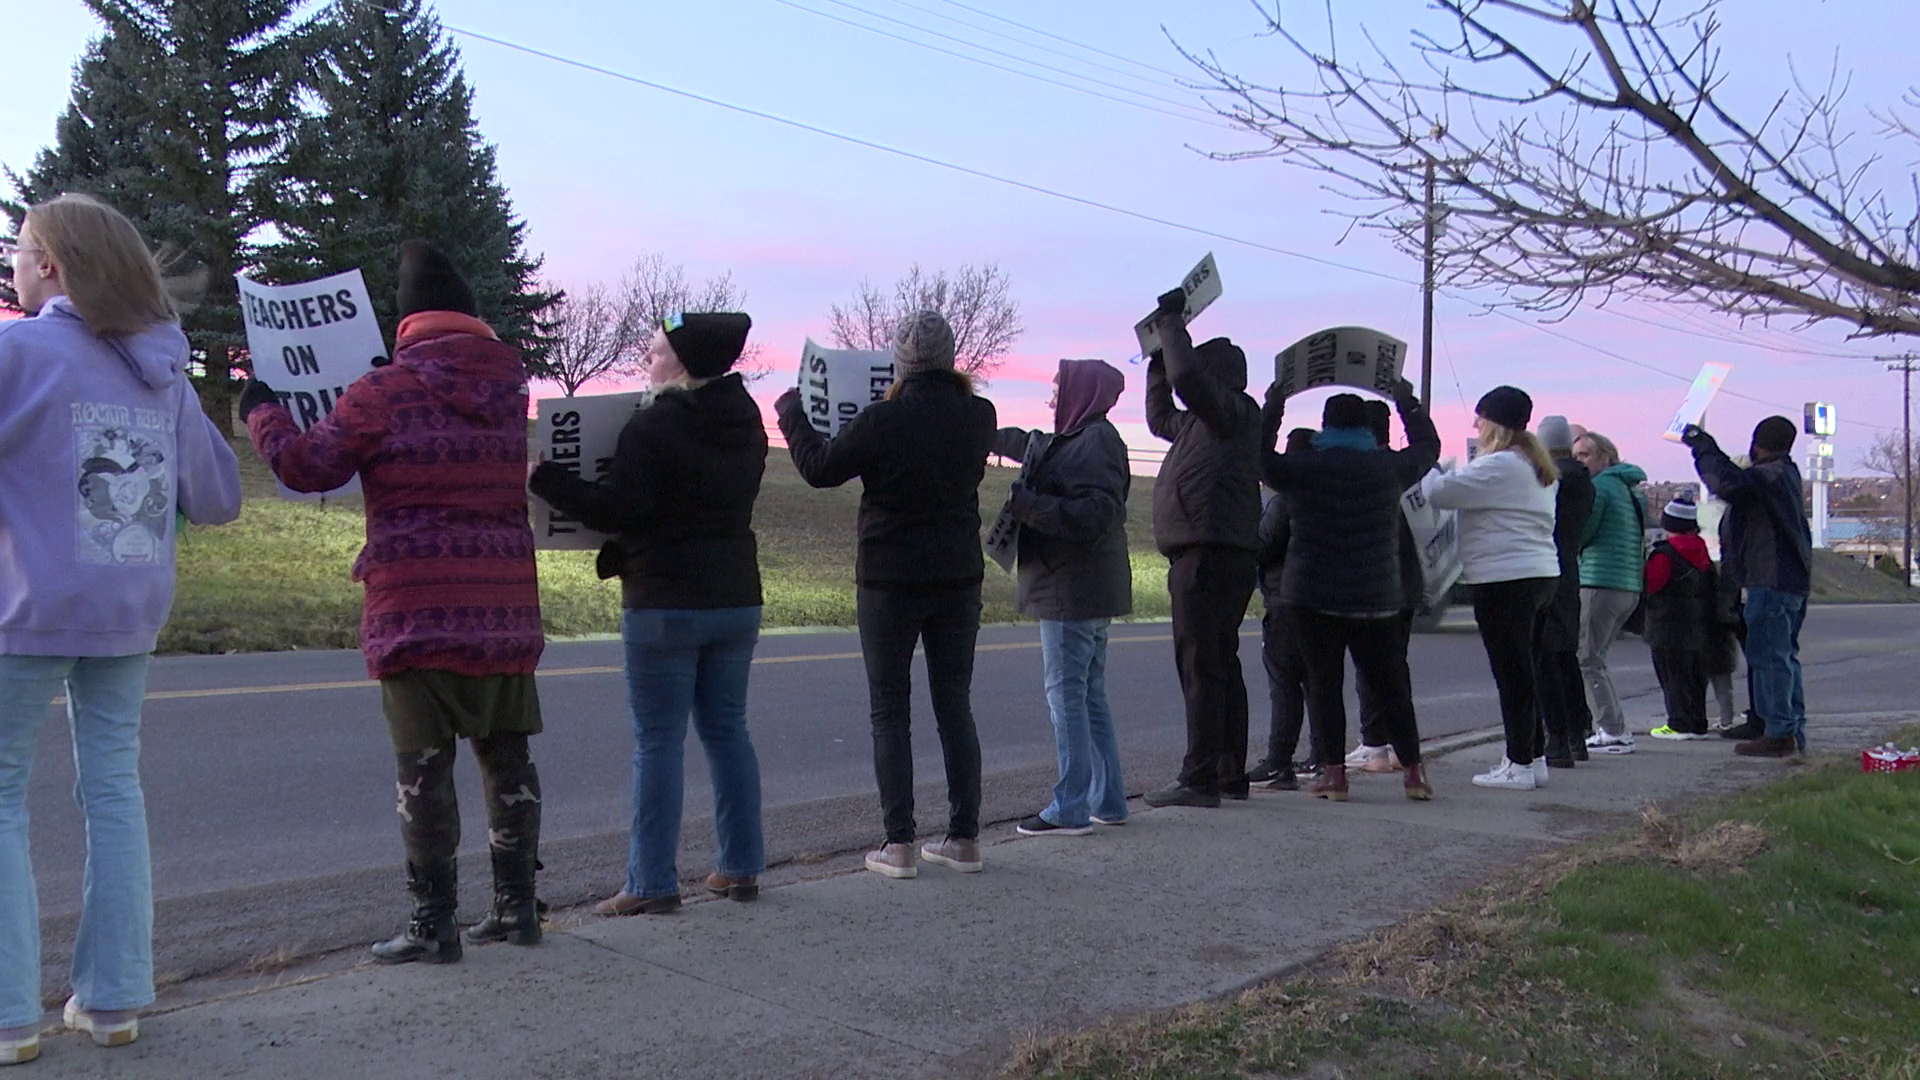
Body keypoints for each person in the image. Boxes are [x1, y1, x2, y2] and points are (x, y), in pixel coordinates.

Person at [244, 240, 545, 963]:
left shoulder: (381, 391)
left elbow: (306, 464)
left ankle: (433, 922)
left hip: (415, 605)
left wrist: (263, 412)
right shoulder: (511, 392)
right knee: (507, 760)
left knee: (424, 766)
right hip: (503, 604)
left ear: (406, 322)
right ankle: (518, 907)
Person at [0, 194, 242, 1063]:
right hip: (127, 614)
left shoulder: (15, 352)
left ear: (54, 266)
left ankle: (6, 1017)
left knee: (0, 799)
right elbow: (218, 498)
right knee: (112, 789)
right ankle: (112, 1001)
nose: (14, 266)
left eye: (20, 252)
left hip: (21, 612)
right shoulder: (160, 371)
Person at [530, 312, 767, 913]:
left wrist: (546, 479)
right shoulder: (748, 423)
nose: (649, 362)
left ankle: (651, 882)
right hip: (736, 597)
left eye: (657, 352)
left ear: (682, 364)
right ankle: (741, 866)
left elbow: (621, 512)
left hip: (664, 602)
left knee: (658, 742)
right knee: (728, 732)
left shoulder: (652, 426)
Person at [775, 310, 996, 877]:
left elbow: (819, 468)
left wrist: (792, 413)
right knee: (955, 705)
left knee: (889, 710)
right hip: (957, 578)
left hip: (888, 581)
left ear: (900, 361)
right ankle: (964, 837)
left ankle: (898, 843)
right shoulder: (979, 416)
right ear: (950, 360)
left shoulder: (882, 421)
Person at [1264, 381, 1441, 802]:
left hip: (1312, 593)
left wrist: (1274, 406)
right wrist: (1406, 404)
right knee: (1390, 684)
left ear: (1325, 425)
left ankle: (1334, 775)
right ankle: (1414, 772)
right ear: (1366, 427)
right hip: (1376, 593)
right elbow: (1428, 448)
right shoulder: (1389, 468)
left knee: (1324, 684)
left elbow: (1257, 457)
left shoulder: (1302, 467)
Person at [993, 360, 1133, 836]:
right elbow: (1029, 443)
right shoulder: (1078, 436)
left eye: (1058, 388)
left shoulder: (1097, 441)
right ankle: (1108, 800)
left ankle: (1070, 807)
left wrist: (1028, 506)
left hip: (1071, 591)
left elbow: (1096, 516)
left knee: (1067, 696)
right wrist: (984, 433)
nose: (1051, 396)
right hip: (1079, 588)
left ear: (1082, 392)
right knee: (1089, 695)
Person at [1140, 289, 1263, 808]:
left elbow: (1188, 380)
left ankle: (1200, 779)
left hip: (1209, 552)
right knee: (1219, 661)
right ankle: (1228, 773)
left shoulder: (1231, 412)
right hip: (1211, 550)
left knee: (1201, 664)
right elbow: (1158, 416)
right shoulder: (1202, 423)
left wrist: (1171, 325)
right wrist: (1155, 361)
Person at [1421, 387, 1561, 791]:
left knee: (1512, 675)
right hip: (1539, 573)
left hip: (1503, 578)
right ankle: (1533, 757)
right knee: (1527, 669)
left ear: (1495, 424)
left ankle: (1518, 763)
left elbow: (1439, 493)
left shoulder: (1500, 465)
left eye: (1480, 418)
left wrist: (1429, 463)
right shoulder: (1536, 466)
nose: (1475, 425)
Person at [1682, 418, 1812, 757]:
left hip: (1770, 578)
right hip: (1791, 579)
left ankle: (1779, 730)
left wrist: (1702, 446)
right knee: (1784, 655)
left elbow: (1727, 483)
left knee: (1769, 655)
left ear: (1757, 445)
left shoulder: (1766, 477)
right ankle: (1789, 726)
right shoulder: (1786, 475)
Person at [1336, 398, 1428, 776]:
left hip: (1374, 582)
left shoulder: (1363, 470)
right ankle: (1398, 746)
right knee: (1394, 666)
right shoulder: (1406, 469)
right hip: (1407, 579)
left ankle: (1375, 742)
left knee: (1369, 667)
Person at [1249, 428, 1318, 790]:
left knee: (1284, 683)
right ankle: (1322, 757)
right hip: (1322, 602)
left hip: (1285, 599)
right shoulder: (1327, 497)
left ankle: (1279, 763)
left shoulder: (1283, 501)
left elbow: (1262, 547)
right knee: (1317, 683)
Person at [1571, 431, 1648, 754]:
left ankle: (1612, 730)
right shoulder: (1628, 490)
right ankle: (1613, 726)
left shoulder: (1600, 488)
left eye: (1584, 455)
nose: (1578, 462)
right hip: (1628, 584)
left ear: (1605, 456)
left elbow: (1584, 532)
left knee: (1587, 658)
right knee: (1596, 659)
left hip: (1600, 579)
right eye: (1575, 456)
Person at [1535, 416, 1595, 767]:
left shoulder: (1549, 481)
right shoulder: (1583, 481)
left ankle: (1555, 738)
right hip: (1568, 569)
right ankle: (1577, 734)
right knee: (1565, 656)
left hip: (1545, 570)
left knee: (1545, 658)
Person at [1644, 496, 1717, 740]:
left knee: (1671, 673)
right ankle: (1698, 722)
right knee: (1696, 674)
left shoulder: (1665, 554)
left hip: (1668, 623)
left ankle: (1678, 723)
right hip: (1699, 622)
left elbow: (1653, 586)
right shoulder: (1702, 551)